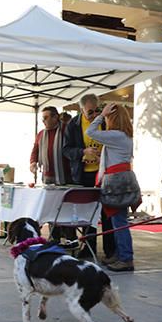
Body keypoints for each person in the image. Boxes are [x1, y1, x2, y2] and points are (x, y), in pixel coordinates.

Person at [62, 93, 115, 261]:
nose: (94, 115)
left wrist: (103, 153)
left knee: (107, 212)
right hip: (83, 173)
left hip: (103, 172)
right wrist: (83, 151)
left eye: (96, 111)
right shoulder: (74, 124)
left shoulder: (105, 121)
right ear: (81, 109)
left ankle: (110, 249)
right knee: (87, 213)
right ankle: (88, 247)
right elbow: (66, 150)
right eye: (90, 112)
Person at [86, 102, 137, 272]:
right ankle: (121, 254)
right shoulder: (125, 136)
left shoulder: (115, 135)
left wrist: (101, 115)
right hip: (124, 178)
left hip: (115, 180)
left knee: (119, 221)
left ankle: (126, 258)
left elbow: (90, 132)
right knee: (119, 221)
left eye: (107, 117)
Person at [29, 106, 69, 185]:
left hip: (64, 175)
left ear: (55, 117)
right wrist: (33, 162)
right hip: (47, 175)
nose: (43, 121)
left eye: (46, 118)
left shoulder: (66, 130)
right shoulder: (41, 134)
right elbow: (35, 151)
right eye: (42, 118)